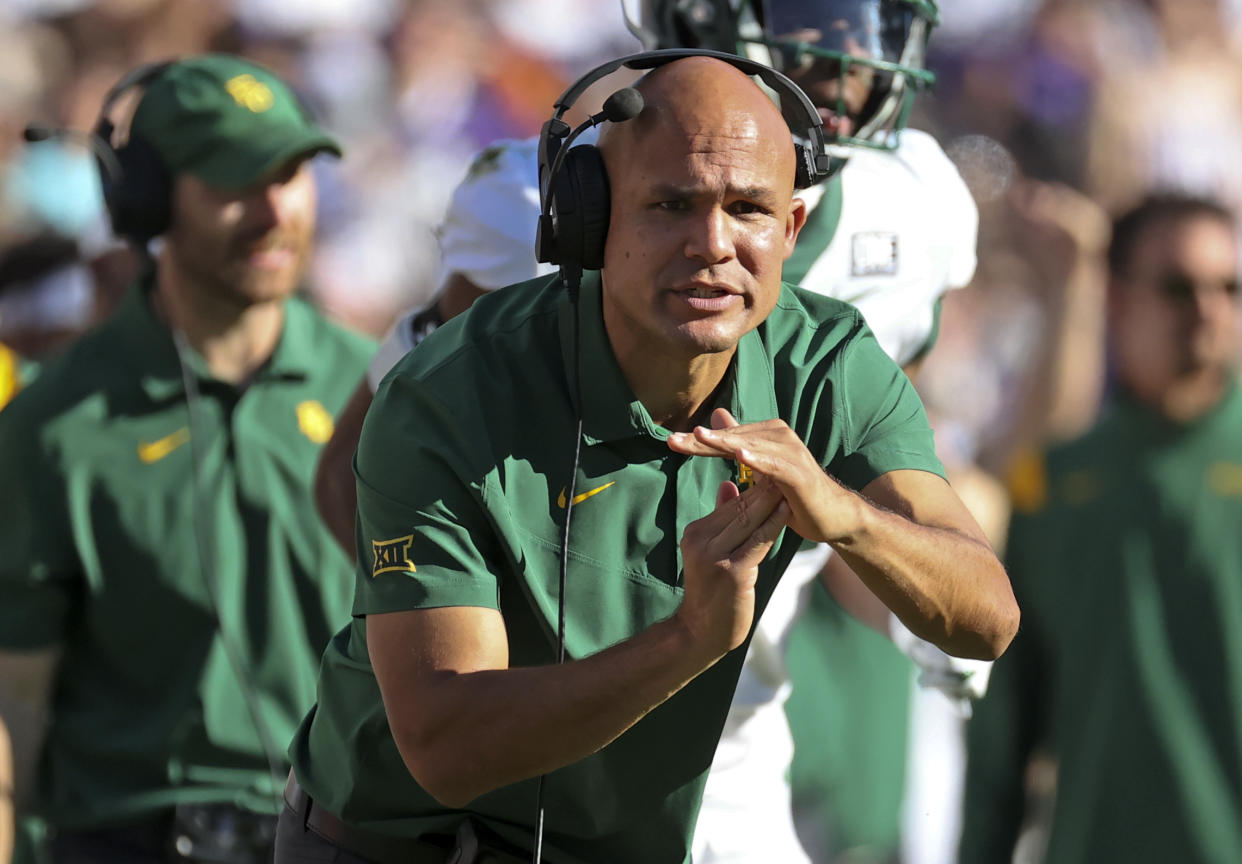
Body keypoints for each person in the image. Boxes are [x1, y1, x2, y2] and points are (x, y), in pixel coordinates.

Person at [278, 54, 1017, 864]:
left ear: (792, 230)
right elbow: (446, 748)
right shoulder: (446, 395)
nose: (713, 245)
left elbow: (985, 618)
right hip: (399, 844)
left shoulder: (828, 360)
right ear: (590, 219)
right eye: (671, 205)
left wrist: (845, 515)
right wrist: (690, 638)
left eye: (749, 210)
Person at [0, 54, 374, 864]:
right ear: (144, 200)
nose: (277, 210)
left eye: (292, 173)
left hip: (336, 834)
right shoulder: (51, 423)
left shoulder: (384, 393)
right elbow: (15, 701)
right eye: (236, 181)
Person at [958, 192, 1242, 864]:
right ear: (1116, 300)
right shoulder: (1054, 487)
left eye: (1229, 287)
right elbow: (1004, 741)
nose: (1207, 310)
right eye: (1178, 288)